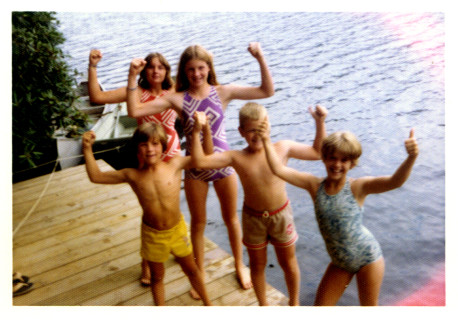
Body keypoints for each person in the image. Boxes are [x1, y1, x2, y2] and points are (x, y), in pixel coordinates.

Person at [126, 42, 275, 297]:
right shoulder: (176, 98)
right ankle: (201, 272)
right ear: (184, 71)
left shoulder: (222, 92)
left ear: (209, 68)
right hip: (195, 166)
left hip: (224, 163)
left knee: (231, 219)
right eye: (191, 69)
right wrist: (131, 77)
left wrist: (260, 56)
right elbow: (134, 110)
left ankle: (240, 265)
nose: (196, 74)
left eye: (201, 68)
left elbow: (266, 91)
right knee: (198, 223)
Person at [259, 121, 419, 306]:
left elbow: (394, 182)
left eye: (344, 160)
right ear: (324, 158)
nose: (337, 164)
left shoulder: (358, 186)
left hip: (368, 258)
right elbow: (278, 169)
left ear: (352, 163)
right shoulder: (314, 185)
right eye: (332, 158)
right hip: (340, 262)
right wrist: (265, 139)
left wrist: (411, 158)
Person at [190, 103, 328, 306]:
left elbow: (317, 152)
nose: (257, 134)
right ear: (241, 132)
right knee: (257, 265)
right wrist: (195, 132)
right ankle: (263, 305)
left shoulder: (283, 148)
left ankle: (295, 303)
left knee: (288, 262)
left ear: (269, 126)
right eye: (252, 130)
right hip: (253, 218)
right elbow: (200, 162)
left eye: (262, 129)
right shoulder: (236, 157)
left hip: (281, 215)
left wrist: (319, 122)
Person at [82, 123, 213, 306]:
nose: (150, 149)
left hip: (178, 231)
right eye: (144, 144)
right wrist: (87, 149)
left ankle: (209, 305)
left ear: (163, 146)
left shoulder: (175, 164)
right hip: (153, 236)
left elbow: (203, 158)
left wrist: (201, 130)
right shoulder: (132, 175)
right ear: (137, 148)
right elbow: (96, 176)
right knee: (157, 278)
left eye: (155, 143)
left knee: (191, 270)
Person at [88, 49, 181, 285]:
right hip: (146, 157)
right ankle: (146, 263)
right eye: (151, 67)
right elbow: (97, 98)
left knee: (172, 202)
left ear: (167, 71)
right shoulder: (136, 92)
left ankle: (178, 246)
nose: (155, 71)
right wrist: (93, 66)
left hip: (171, 153)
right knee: (149, 209)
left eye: (161, 67)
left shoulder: (175, 92)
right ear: (143, 70)